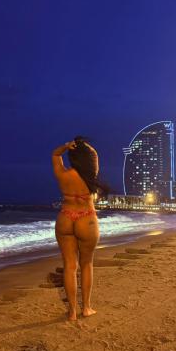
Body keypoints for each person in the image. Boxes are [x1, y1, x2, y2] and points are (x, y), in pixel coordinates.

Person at [51, 136, 109, 321]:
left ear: (72, 157)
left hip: (65, 218)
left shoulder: (63, 175)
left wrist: (66, 146)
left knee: (69, 266)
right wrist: (86, 148)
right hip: (86, 219)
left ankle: (72, 312)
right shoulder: (91, 176)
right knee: (86, 264)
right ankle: (86, 308)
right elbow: (94, 156)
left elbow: (55, 154)